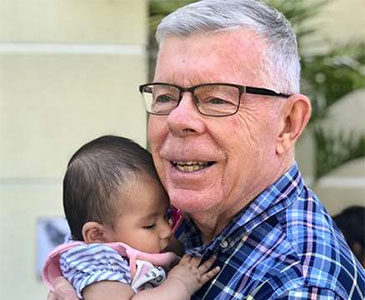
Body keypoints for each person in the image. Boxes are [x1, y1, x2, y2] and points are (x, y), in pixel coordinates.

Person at [49, 0, 365, 299]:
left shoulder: (299, 285)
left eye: (216, 98)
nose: (178, 119)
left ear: (288, 123)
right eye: (165, 97)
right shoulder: (177, 215)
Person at [43, 135, 220, 300]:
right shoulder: (95, 261)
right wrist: (180, 283)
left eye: (166, 215)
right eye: (150, 225)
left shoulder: (136, 246)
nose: (167, 231)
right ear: (97, 236)